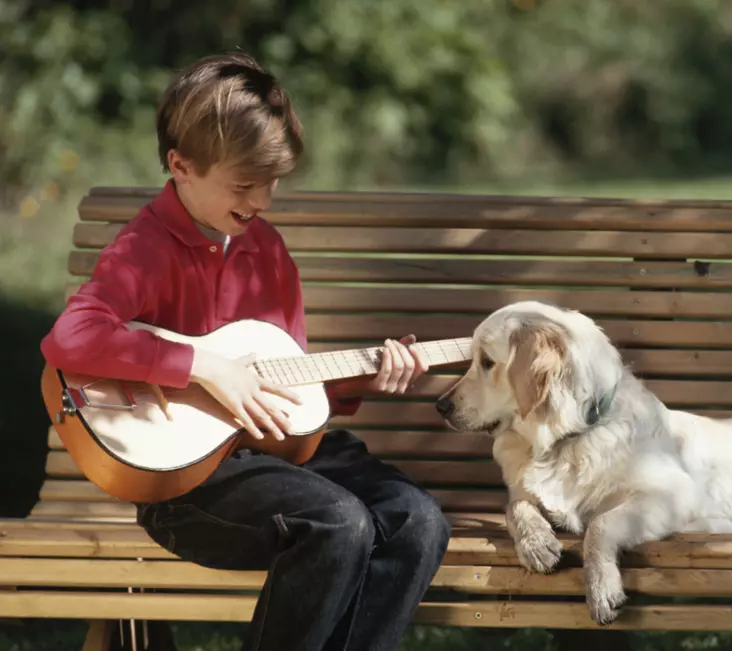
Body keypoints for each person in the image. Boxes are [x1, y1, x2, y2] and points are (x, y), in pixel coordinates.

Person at [39, 51, 452, 651]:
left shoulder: (267, 249)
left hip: (278, 456)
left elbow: (285, 384)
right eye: (244, 185)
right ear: (180, 165)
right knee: (338, 522)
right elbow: (70, 336)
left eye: (272, 184)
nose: (262, 201)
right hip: (188, 485)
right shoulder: (144, 248)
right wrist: (203, 366)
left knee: (418, 521)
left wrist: (363, 380)